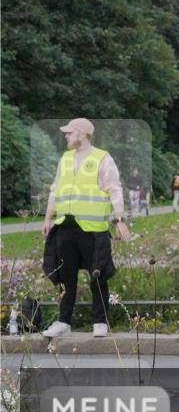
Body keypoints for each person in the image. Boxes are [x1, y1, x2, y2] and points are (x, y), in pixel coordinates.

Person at [40, 118, 130, 338]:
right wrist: (48, 217)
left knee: (97, 274)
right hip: (65, 226)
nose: (66, 136)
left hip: (91, 228)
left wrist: (119, 220)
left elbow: (114, 189)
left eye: (69, 133)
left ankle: (100, 321)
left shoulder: (102, 158)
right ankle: (63, 321)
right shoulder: (66, 158)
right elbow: (55, 189)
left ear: (82, 133)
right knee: (65, 276)